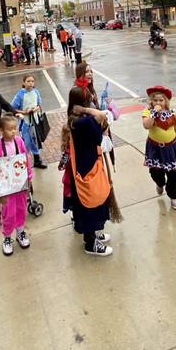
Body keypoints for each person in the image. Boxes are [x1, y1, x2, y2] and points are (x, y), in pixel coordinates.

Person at [63, 85, 113, 256]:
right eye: (88, 99)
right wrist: (90, 111)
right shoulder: (84, 121)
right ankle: (90, 244)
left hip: (84, 165)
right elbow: (99, 132)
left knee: (91, 200)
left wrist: (85, 110)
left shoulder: (74, 118)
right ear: (83, 102)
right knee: (91, 201)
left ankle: (93, 233)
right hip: (87, 166)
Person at [0, 115, 33, 256]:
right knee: (8, 213)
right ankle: (7, 238)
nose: (14, 132)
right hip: (5, 188)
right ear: (1, 130)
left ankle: (20, 232)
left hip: (19, 185)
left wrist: (29, 177)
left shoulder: (19, 141)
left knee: (21, 208)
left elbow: (25, 158)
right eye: (10, 129)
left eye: (15, 128)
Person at [142, 85, 176, 210]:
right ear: (151, 101)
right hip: (155, 149)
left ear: (166, 101)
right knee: (156, 172)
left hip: (172, 147)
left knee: (172, 173)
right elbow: (146, 125)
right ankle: (160, 183)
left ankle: (173, 195)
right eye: (155, 100)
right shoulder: (148, 112)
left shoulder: (173, 113)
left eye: (161, 100)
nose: (158, 102)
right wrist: (154, 112)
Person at [11, 75, 47, 169]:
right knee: (25, 143)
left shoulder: (36, 92)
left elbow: (39, 104)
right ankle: (24, 164)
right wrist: (24, 112)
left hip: (35, 121)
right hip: (25, 123)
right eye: (28, 81)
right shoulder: (20, 94)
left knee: (35, 141)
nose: (30, 83)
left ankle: (37, 161)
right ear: (23, 83)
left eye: (32, 81)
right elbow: (12, 108)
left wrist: (36, 108)